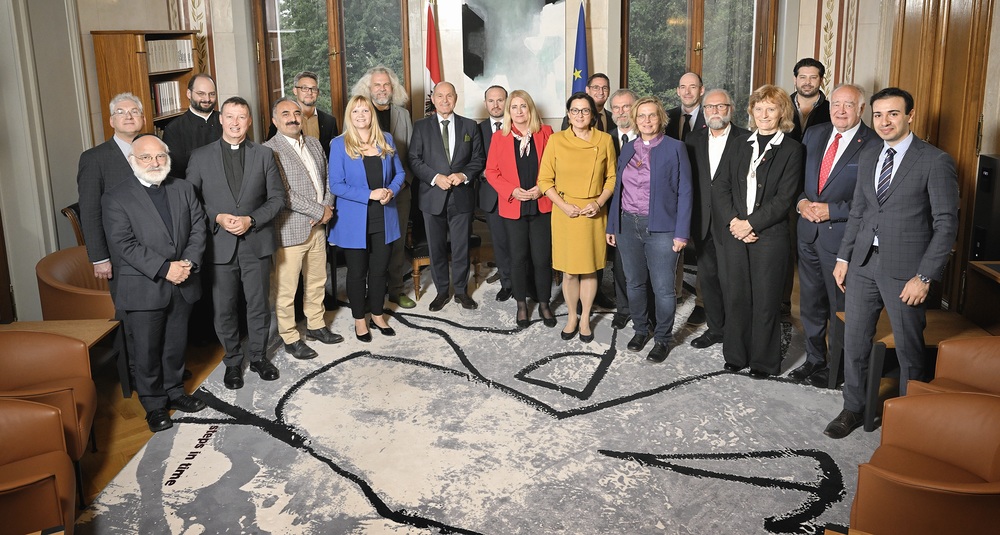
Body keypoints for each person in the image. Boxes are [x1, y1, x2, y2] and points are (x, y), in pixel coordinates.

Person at [824, 87, 959, 439]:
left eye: (893, 114)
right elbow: (860, 211)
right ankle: (853, 408)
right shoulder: (869, 154)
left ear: (910, 115)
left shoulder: (934, 160)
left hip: (908, 271)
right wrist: (844, 257)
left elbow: (947, 224)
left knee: (910, 350)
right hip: (864, 264)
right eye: (879, 115)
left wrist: (925, 276)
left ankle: (909, 420)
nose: (884, 122)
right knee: (854, 341)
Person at [101, 134, 207, 432]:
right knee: (146, 350)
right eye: (146, 157)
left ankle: (175, 392)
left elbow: (198, 227)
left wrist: (187, 263)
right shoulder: (115, 197)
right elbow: (124, 244)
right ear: (133, 161)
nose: (154, 162)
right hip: (144, 287)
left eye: (160, 156)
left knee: (175, 344)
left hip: (182, 281)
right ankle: (154, 404)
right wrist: (164, 269)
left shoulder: (183, 188)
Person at [186, 97, 286, 390]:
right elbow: (190, 202)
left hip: (256, 242)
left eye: (241, 117)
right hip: (220, 245)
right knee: (224, 308)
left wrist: (251, 220)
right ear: (221, 119)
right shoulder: (200, 156)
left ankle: (257, 356)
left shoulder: (264, 155)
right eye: (230, 116)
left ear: (249, 121)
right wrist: (216, 216)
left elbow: (278, 198)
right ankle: (232, 361)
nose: (235, 123)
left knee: (257, 305)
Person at [788, 84, 879, 387]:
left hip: (842, 240)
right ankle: (815, 360)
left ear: (861, 109)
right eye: (836, 104)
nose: (840, 110)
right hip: (808, 234)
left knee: (840, 307)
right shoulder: (815, 134)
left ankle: (838, 367)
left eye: (848, 105)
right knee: (811, 304)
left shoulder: (874, 143)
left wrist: (832, 210)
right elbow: (797, 180)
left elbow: (874, 200)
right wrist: (801, 202)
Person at [712, 85, 803, 378]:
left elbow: (784, 199)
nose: (764, 114)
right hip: (735, 234)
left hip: (770, 238)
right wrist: (735, 223)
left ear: (782, 113)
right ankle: (736, 355)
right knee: (736, 297)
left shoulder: (792, 149)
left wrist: (751, 224)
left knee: (766, 301)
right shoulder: (738, 144)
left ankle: (763, 362)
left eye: (771, 109)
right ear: (751, 111)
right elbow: (721, 186)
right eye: (759, 108)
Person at [606, 96, 693, 362]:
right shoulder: (629, 148)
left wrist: (681, 232)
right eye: (641, 116)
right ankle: (641, 329)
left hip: (662, 228)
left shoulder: (676, 148)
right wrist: (612, 224)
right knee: (634, 283)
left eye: (652, 115)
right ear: (635, 120)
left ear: (661, 118)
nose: (646, 120)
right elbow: (618, 189)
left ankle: (663, 338)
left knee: (664, 288)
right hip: (627, 224)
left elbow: (686, 192)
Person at [264, 97, 343, 361]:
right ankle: (289, 336)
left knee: (317, 280)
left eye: (297, 113)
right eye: (285, 113)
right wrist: (318, 211)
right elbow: (282, 193)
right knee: (286, 288)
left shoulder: (313, 142)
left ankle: (316, 325)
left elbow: (329, 177)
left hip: (318, 227)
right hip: (290, 230)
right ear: (275, 120)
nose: (292, 117)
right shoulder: (269, 150)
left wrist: (327, 207)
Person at [539, 92, 616, 343]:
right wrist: (563, 206)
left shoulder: (604, 140)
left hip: (593, 212)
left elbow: (612, 178)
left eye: (585, 110)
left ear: (593, 114)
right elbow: (544, 180)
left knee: (590, 270)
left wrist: (598, 202)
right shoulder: (555, 140)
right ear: (568, 114)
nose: (580, 115)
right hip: (565, 212)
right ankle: (572, 316)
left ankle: (585, 320)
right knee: (570, 272)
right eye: (575, 110)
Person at [328, 95, 406, 341]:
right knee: (357, 272)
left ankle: (377, 314)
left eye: (365, 111)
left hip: (384, 216)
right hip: (354, 220)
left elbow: (400, 172)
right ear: (349, 116)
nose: (361, 115)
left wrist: (392, 190)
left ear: (372, 115)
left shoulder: (386, 140)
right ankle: (359, 320)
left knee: (380, 270)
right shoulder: (339, 144)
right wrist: (369, 194)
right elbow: (336, 185)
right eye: (355, 111)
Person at [408, 81, 485, 311]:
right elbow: (414, 159)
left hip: (461, 195)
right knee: (436, 246)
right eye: (440, 96)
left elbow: (478, 159)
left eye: (449, 95)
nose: (444, 100)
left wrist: (463, 174)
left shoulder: (470, 126)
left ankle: (461, 291)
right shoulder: (421, 126)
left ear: (455, 98)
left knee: (461, 246)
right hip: (432, 195)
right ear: (434, 99)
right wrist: (434, 177)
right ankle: (442, 291)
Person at [484, 89, 555, 329]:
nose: (518, 111)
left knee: (542, 258)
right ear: (508, 111)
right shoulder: (499, 137)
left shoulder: (546, 133)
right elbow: (491, 172)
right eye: (514, 107)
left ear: (530, 109)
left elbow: (555, 168)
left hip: (541, 203)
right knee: (518, 258)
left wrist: (541, 188)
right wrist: (512, 190)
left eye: (523, 106)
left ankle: (544, 303)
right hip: (513, 205)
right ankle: (521, 305)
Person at [685, 88, 750, 349]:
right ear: (704, 111)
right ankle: (715, 328)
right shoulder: (692, 139)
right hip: (702, 220)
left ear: (730, 109)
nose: (715, 111)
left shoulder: (746, 139)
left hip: (733, 222)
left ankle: (736, 332)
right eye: (709, 107)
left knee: (733, 280)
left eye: (720, 106)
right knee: (708, 278)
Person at [351, 65, 416, 309]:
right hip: (367, 195)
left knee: (397, 244)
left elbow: (409, 154)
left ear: (393, 88)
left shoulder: (403, 114)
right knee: (370, 245)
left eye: (386, 84)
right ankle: (371, 290)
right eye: (377, 85)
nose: (381, 89)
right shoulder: (359, 113)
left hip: (398, 191)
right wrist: (369, 192)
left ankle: (396, 290)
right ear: (368, 88)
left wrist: (400, 186)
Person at [78, 92, 145, 285]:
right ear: (111, 121)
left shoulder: (157, 150)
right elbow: (90, 211)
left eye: (134, 111)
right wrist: (100, 258)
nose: (129, 116)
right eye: (121, 112)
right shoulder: (94, 159)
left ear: (143, 118)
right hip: (119, 253)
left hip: (158, 250)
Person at [607, 88, 643, 330]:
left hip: (641, 211)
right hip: (613, 209)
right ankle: (624, 308)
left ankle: (643, 308)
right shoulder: (604, 139)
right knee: (619, 262)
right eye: (617, 108)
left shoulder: (648, 137)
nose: (621, 112)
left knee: (642, 264)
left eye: (626, 106)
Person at [478, 85, 515, 302]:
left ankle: (520, 280)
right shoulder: (477, 129)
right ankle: (507, 283)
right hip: (491, 195)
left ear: (507, 101)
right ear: (485, 104)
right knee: (500, 242)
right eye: (491, 101)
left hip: (515, 194)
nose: (496, 105)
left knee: (517, 241)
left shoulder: (517, 125)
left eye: (500, 100)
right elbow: (475, 161)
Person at [267, 71, 340, 158]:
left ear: (318, 92)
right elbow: (271, 151)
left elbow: (335, 153)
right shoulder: (283, 120)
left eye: (313, 89)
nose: (309, 92)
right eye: (304, 88)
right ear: (295, 91)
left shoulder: (330, 121)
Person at [163, 73, 223, 179]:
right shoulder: (174, 129)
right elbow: (175, 173)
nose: (207, 99)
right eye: (201, 94)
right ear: (189, 94)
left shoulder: (227, 121)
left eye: (212, 94)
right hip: (191, 189)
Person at [787, 58, 831, 142]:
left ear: (821, 80)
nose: (807, 82)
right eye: (803, 77)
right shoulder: (780, 107)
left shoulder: (831, 110)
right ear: (795, 80)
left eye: (813, 77)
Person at [666, 73, 707, 141]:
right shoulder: (666, 117)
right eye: (683, 87)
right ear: (678, 91)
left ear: (701, 90)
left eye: (692, 87)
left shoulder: (710, 118)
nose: (687, 92)